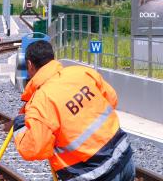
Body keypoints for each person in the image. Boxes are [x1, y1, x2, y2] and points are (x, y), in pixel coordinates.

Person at [13, 40, 135, 181]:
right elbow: (112, 99)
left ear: (29, 64)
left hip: (93, 175)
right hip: (124, 159)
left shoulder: (41, 100)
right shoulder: (82, 72)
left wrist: (20, 124)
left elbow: (34, 149)